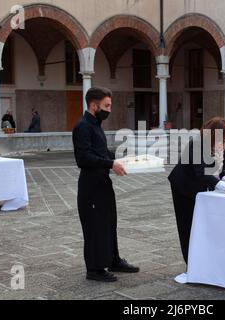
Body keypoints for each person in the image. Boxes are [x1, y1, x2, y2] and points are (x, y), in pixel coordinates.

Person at [72, 86, 140, 282]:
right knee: (95, 226)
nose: (109, 109)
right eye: (106, 105)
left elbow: (101, 152)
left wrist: (122, 159)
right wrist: (110, 163)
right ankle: (94, 269)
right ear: (94, 105)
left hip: (102, 183)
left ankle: (113, 260)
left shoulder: (95, 125)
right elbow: (83, 158)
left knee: (109, 222)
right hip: (91, 186)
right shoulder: (83, 126)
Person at [168, 117, 225, 265]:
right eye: (222, 140)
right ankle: (192, 264)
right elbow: (202, 172)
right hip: (184, 187)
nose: (224, 144)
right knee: (187, 225)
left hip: (202, 186)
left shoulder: (220, 144)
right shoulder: (197, 144)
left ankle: (204, 260)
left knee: (202, 224)